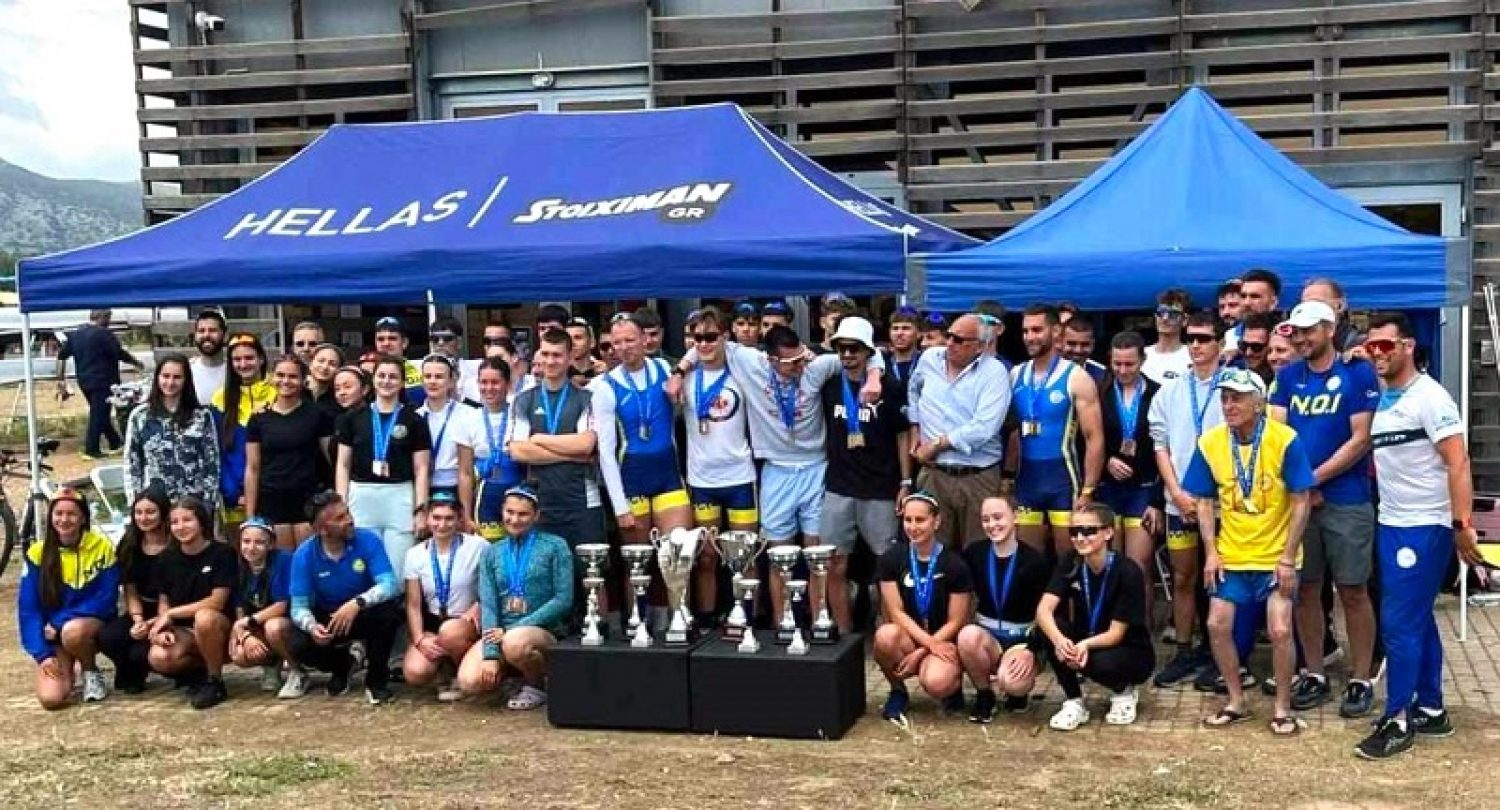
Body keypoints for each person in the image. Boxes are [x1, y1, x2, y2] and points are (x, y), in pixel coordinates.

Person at [668, 324, 880, 625]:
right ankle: (783, 626)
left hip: (815, 467)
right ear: (770, 360)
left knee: (817, 553)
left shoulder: (816, 366)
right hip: (776, 470)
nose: (799, 366)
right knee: (778, 555)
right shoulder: (750, 363)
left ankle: (819, 622)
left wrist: (874, 377)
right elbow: (707, 343)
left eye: (801, 358)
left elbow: (870, 354)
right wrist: (678, 373)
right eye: (791, 362)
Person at [1355, 313, 1480, 759]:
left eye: (1384, 346)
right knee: (1417, 617)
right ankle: (1430, 707)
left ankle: (1398, 718)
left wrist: (1462, 525)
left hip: (1424, 525)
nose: (1376, 354)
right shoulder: (1389, 394)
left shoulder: (1430, 397)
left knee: (1398, 623)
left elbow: (1458, 462)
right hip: (1394, 522)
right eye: (1370, 347)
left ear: (1408, 346)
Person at [1183, 368, 1314, 736]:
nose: (1229, 405)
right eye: (1224, 398)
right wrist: (1211, 553)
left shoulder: (1284, 439)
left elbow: (1301, 500)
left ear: (1259, 403)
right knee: (1216, 624)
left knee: (1280, 628)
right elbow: (1203, 501)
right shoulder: (1211, 442)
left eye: (1237, 398)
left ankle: (1282, 708)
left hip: (1276, 555)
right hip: (1232, 554)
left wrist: (1288, 557)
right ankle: (1236, 700)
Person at [1269, 300, 1381, 717]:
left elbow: (1361, 438)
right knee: (1305, 589)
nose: (1300, 339)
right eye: (1296, 332)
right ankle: (1313, 672)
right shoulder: (1287, 376)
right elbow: (1276, 433)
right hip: (1300, 501)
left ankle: (1361, 677)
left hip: (1347, 498)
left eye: (1308, 331)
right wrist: (1300, 485)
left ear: (1330, 329)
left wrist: (1312, 479)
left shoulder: (1357, 372)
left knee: (1353, 589)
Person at [1148, 312, 1226, 687]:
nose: (1196, 345)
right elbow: (1159, 445)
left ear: (1220, 343)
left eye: (1205, 338)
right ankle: (1183, 649)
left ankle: (1221, 651)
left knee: (1220, 578)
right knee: (1183, 577)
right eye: (1191, 338)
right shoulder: (1171, 390)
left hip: (1224, 503)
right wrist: (1176, 492)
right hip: (1178, 500)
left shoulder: (1237, 385)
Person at [820, 316, 910, 634]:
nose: (847, 355)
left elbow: (903, 435)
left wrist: (905, 481)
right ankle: (844, 635)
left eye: (854, 348)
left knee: (886, 565)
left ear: (868, 351)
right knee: (835, 563)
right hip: (839, 486)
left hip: (881, 487)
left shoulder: (890, 387)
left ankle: (889, 634)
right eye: (842, 348)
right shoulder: (830, 384)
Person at [1035, 503, 1155, 730]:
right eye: (1074, 531)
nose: (1080, 538)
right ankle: (1074, 701)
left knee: (1100, 661)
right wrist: (1060, 641)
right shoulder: (1071, 561)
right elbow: (1043, 610)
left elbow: (1116, 634)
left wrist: (1083, 646)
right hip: (1087, 640)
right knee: (1049, 629)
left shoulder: (1128, 571)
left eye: (1089, 531)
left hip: (1128, 650)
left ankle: (1124, 690)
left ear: (1108, 532)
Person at [460, 485, 575, 710]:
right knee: (469, 681)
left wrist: (513, 629)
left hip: (543, 631)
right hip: (500, 632)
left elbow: (563, 599)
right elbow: (489, 604)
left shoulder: (555, 546)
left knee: (516, 642)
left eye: (523, 514)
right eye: (509, 512)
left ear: (536, 516)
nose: (514, 519)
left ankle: (537, 686)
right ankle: (511, 679)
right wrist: (490, 654)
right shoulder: (491, 552)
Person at [288, 490, 404, 703]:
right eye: (340, 518)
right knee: (297, 644)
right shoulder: (304, 555)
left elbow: (389, 584)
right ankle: (343, 665)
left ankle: (376, 682)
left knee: (389, 613)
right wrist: (312, 626)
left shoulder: (368, 540)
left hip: (363, 610)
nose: (350, 520)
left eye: (348, 512)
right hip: (328, 616)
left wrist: (357, 603)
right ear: (322, 530)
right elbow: (298, 606)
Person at [681, 308, 758, 619]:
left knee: (746, 555)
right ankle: (707, 619)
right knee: (707, 558)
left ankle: (748, 618)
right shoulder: (685, 377)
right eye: (697, 338)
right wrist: (680, 369)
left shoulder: (741, 372)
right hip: (702, 480)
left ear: (725, 337)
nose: (703, 344)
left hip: (740, 477)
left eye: (711, 337)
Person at [907, 314, 1010, 545]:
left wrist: (937, 444)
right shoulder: (929, 359)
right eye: (949, 336)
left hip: (977, 477)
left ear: (980, 346)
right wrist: (915, 428)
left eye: (959, 340)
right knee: (930, 548)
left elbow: (985, 427)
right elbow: (913, 390)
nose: (950, 343)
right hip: (934, 474)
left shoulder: (994, 372)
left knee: (979, 550)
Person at [1010, 304, 1104, 556]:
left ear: (1055, 332)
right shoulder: (1016, 374)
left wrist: (1088, 490)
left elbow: (1094, 438)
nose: (1030, 337)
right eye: (1025, 331)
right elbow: (1011, 432)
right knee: (1029, 560)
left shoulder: (1076, 377)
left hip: (1063, 481)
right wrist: (1006, 479)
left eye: (1037, 330)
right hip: (1026, 481)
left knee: (1069, 560)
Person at [590, 315, 691, 547]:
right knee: (638, 560)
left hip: (668, 474)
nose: (623, 347)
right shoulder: (605, 387)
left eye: (630, 340)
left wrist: (681, 373)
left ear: (644, 339)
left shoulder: (664, 367)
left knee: (678, 554)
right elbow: (606, 452)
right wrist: (620, 507)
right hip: (632, 478)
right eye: (617, 343)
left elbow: (695, 353)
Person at [873, 493, 973, 725]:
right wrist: (926, 643)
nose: (913, 527)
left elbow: (957, 620)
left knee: (937, 683)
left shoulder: (954, 564)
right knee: (885, 636)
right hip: (910, 637)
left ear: (936, 522)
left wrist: (924, 650)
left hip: (943, 640)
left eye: (920, 520)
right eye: (908, 520)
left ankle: (952, 688)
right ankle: (898, 691)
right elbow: (896, 612)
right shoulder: (891, 559)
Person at [336, 354, 432, 586]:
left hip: (399, 495)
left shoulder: (415, 421)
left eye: (393, 377)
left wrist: (421, 510)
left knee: (398, 569)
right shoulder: (352, 418)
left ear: (402, 382)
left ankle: (396, 609)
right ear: (373, 380)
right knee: (363, 567)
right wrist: (341, 504)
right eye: (381, 375)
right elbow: (343, 464)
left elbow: (421, 469)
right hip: (362, 494)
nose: (386, 381)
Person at [18, 488, 119, 708]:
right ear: (50, 517)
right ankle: (69, 665)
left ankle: (90, 670)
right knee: (51, 699)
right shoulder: (37, 553)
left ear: (83, 518)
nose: (64, 520)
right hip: (54, 636)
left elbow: (107, 599)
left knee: (72, 632)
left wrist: (59, 622)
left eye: (71, 514)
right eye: (58, 513)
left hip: (87, 627)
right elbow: (28, 609)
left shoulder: (102, 547)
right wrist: (43, 655)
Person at [506, 329, 605, 550]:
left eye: (557, 355)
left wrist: (538, 438)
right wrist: (572, 454)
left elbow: (585, 445)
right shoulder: (523, 400)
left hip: (582, 502)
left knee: (589, 570)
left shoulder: (587, 398)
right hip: (539, 504)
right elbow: (518, 451)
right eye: (545, 354)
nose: (550, 361)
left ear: (570, 357)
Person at [956, 496, 1051, 722]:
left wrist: (1032, 649)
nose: (992, 525)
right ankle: (984, 694)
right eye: (986, 519)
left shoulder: (1035, 561)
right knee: (967, 636)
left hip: (1021, 637)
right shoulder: (974, 554)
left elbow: (1049, 613)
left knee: (1013, 682)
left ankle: (1017, 694)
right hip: (987, 635)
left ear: (1015, 516)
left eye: (998, 517)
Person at [148, 496, 238, 710]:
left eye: (187, 520)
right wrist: (163, 626)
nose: (181, 527)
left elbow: (217, 601)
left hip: (219, 627)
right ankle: (198, 673)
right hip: (185, 630)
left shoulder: (222, 553)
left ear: (201, 522)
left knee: (204, 617)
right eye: (174, 522)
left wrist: (171, 614)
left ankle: (215, 681)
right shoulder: (166, 559)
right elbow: (164, 600)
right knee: (159, 657)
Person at [1097, 331, 1162, 621]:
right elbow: (1085, 440)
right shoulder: (1099, 393)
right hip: (1108, 488)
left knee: (1138, 566)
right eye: (1117, 364)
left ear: (1142, 361)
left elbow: (1166, 447)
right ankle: (1110, 629)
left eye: (1129, 364)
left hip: (1144, 488)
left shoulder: (1158, 393)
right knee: (1109, 564)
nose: (1122, 371)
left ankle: (1140, 631)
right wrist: (1105, 461)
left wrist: (1158, 500)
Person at [402, 494, 485, 702]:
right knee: (415, 672)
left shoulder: (478, 547)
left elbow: (492, 586)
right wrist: (419, 639)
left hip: (466, 620)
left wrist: (478, 606)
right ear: (427, 519)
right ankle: (443, 670)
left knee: (450, 632)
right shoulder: (415, 554)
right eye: (436, 518)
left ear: (459, 519)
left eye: (449, 518)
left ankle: (461, 673)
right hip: (434, 620)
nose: (442, 524)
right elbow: (413, 604)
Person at [246, 356, 334, 549]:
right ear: (271, 377)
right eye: (280, 375)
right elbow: (252, 468)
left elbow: (332, 460)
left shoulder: (318, 415)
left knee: (308, 560)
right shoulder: (258, 418)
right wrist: (250, 516)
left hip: (308, 500)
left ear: (303, 380)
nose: (286, 381)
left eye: (293, 376)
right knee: (282, 562)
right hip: (272, 500)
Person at [98, 487, 172, 694]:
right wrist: (138, 619)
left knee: (142, 650)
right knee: (109, 635)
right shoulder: (130, 543)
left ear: (163, 512)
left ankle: (186, 673)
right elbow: (129, 588)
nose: (144, 518)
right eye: (139, 512)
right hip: (141, 606)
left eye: (150, 512)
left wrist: (156, 622)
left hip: (172, 609)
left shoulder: (175, 543)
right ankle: (129, 671)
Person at [124, 353, 219, 507]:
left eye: (177, 377)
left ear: (186, 380)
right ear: (157, 378)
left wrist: (210, 501)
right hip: (154, 503)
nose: (170, 382)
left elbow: (212, 462)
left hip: (192, 503)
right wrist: (134, 501)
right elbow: (132, 462)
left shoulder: (202, 416)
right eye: (165, 376)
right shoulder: (140, 416)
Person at [55, 308, 143, 459]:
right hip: (104, 380)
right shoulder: (105, 335)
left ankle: (115, 442)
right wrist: (136, 362)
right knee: (99, 414)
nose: (109, 321)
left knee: (100, 412)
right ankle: (91, 449)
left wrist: (60, 379)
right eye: (109, 318)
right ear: (103, 317)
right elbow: (119, 353)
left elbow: (61, 355)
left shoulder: (76, 334)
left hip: (84, 380)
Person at [212, 333, 275, 523]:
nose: (243, 364)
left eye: (249, 358)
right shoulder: (220, 399)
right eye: (237, 359)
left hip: (273, 494)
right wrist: (231, 493)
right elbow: (217, 452)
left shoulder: (277, 393)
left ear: (261, 359)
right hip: (236, 501)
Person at [228, 517, 295, 694]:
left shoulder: (283, 560)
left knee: (274, 627)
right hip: (257, 624)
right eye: (246, 541)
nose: (251, 547)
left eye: (259, 542)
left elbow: (283, 604)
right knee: (239, 653)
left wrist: (247, 622)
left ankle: (297, 670)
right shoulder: (238, 567)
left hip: (289, 623)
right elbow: (239, 608)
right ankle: (271, 665)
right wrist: (245, 635)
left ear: (271, 544)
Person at [418, 354, 481, 532]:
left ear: (452, 381)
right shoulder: (415, 416)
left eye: (439, 376)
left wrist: (466, 514)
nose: (432, 381)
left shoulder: (469, 414)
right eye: (428, 376)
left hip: (457, 487)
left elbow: (466, 469)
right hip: (423, 488)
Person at [473, 357, 526, 541]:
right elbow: (464, 471)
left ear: (508, 384)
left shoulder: (520, 414)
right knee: (490, 548)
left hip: (518, 492)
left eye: (495, 382)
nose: (489, 388)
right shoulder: (469, 417)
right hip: (485, 495)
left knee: (520, 545)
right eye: (483, 382)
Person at [1302, 277, 1364, 356]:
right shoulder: (1300, 344)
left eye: (1316, 303)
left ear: (1340, 306)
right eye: (1304, 305)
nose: (1308, 310)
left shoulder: (1358, 345)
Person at [373, 316, 425, 407]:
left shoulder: (421, 369)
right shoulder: (368, 370)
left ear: (404, 343)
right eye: (381, 339)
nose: (386, 343)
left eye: (392, 338)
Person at [1142, 288, 1191, 385]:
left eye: (1173, 314)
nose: (1165, 318)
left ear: (1185, 320)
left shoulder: (1192, 355)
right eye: (1161, 312)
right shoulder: (1141, 354)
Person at [189, 308, 228, 407]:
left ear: (225, 336)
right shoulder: (186, 370)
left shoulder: (236, 370)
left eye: (212, 330)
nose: (206, 335)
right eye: (201, 331)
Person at [1061, 315, 1108, 384]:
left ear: (1093, 344)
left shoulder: (1102, 375)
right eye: (1072, 343)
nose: (1078, 350)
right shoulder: (1046, 370)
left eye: (1084, 344)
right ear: (1060, 342)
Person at [884, 305, 923, 386]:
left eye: (906, 328)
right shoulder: (881, 361)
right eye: (895, 328)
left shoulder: (925, 361)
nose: (899, 333)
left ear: (919, 333)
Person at [1234, 312, 1276, 384]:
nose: (1248, 353)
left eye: (1256, 347)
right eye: (1243, 345)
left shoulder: (1282, 381)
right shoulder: (1233, 371)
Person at [565, 317, 608, 387]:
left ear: (592, 342)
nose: (572, 343)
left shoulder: (605, 372)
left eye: (578, 337)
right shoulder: (558, 374)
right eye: (568, 339)